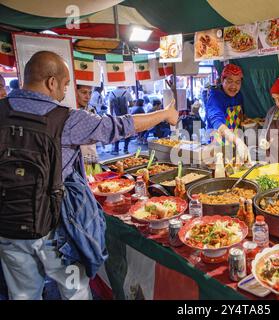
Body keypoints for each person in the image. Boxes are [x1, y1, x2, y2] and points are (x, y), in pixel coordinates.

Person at [0, 51, 178, 300]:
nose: (64, 92)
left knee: (22, 295)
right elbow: (121, 126)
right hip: (56, 230)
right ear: (51, 82)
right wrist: (165, 114)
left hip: (8, 228)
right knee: (75, 291)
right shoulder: (66, 119)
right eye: (64, 85)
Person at [205, 64, 249, 163]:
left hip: (235, 148)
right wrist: (238, 142)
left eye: (238, 82)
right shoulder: (215, 97)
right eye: (229, 81)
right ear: (222, 80)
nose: (234, 86)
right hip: (217, 150)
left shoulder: (239, 96)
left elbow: (241, 117)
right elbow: (219, 125)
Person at [109, 86, 134, 155]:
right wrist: (125, 106)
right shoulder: (127, 92)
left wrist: (112, 115)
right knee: (127, 132)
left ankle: (116, 149)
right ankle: (125, 149)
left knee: (117, 133)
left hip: (116, 117)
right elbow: (132, 104)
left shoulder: (112, 93)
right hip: (126, 116)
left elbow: (111, 106)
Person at [76, 84, 98, 161]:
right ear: (75, 92)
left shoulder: (92, 110)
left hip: (91, 155)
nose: (88, 97)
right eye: (84, 92)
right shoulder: (69, 111)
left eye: (90, 93)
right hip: (77, 158)